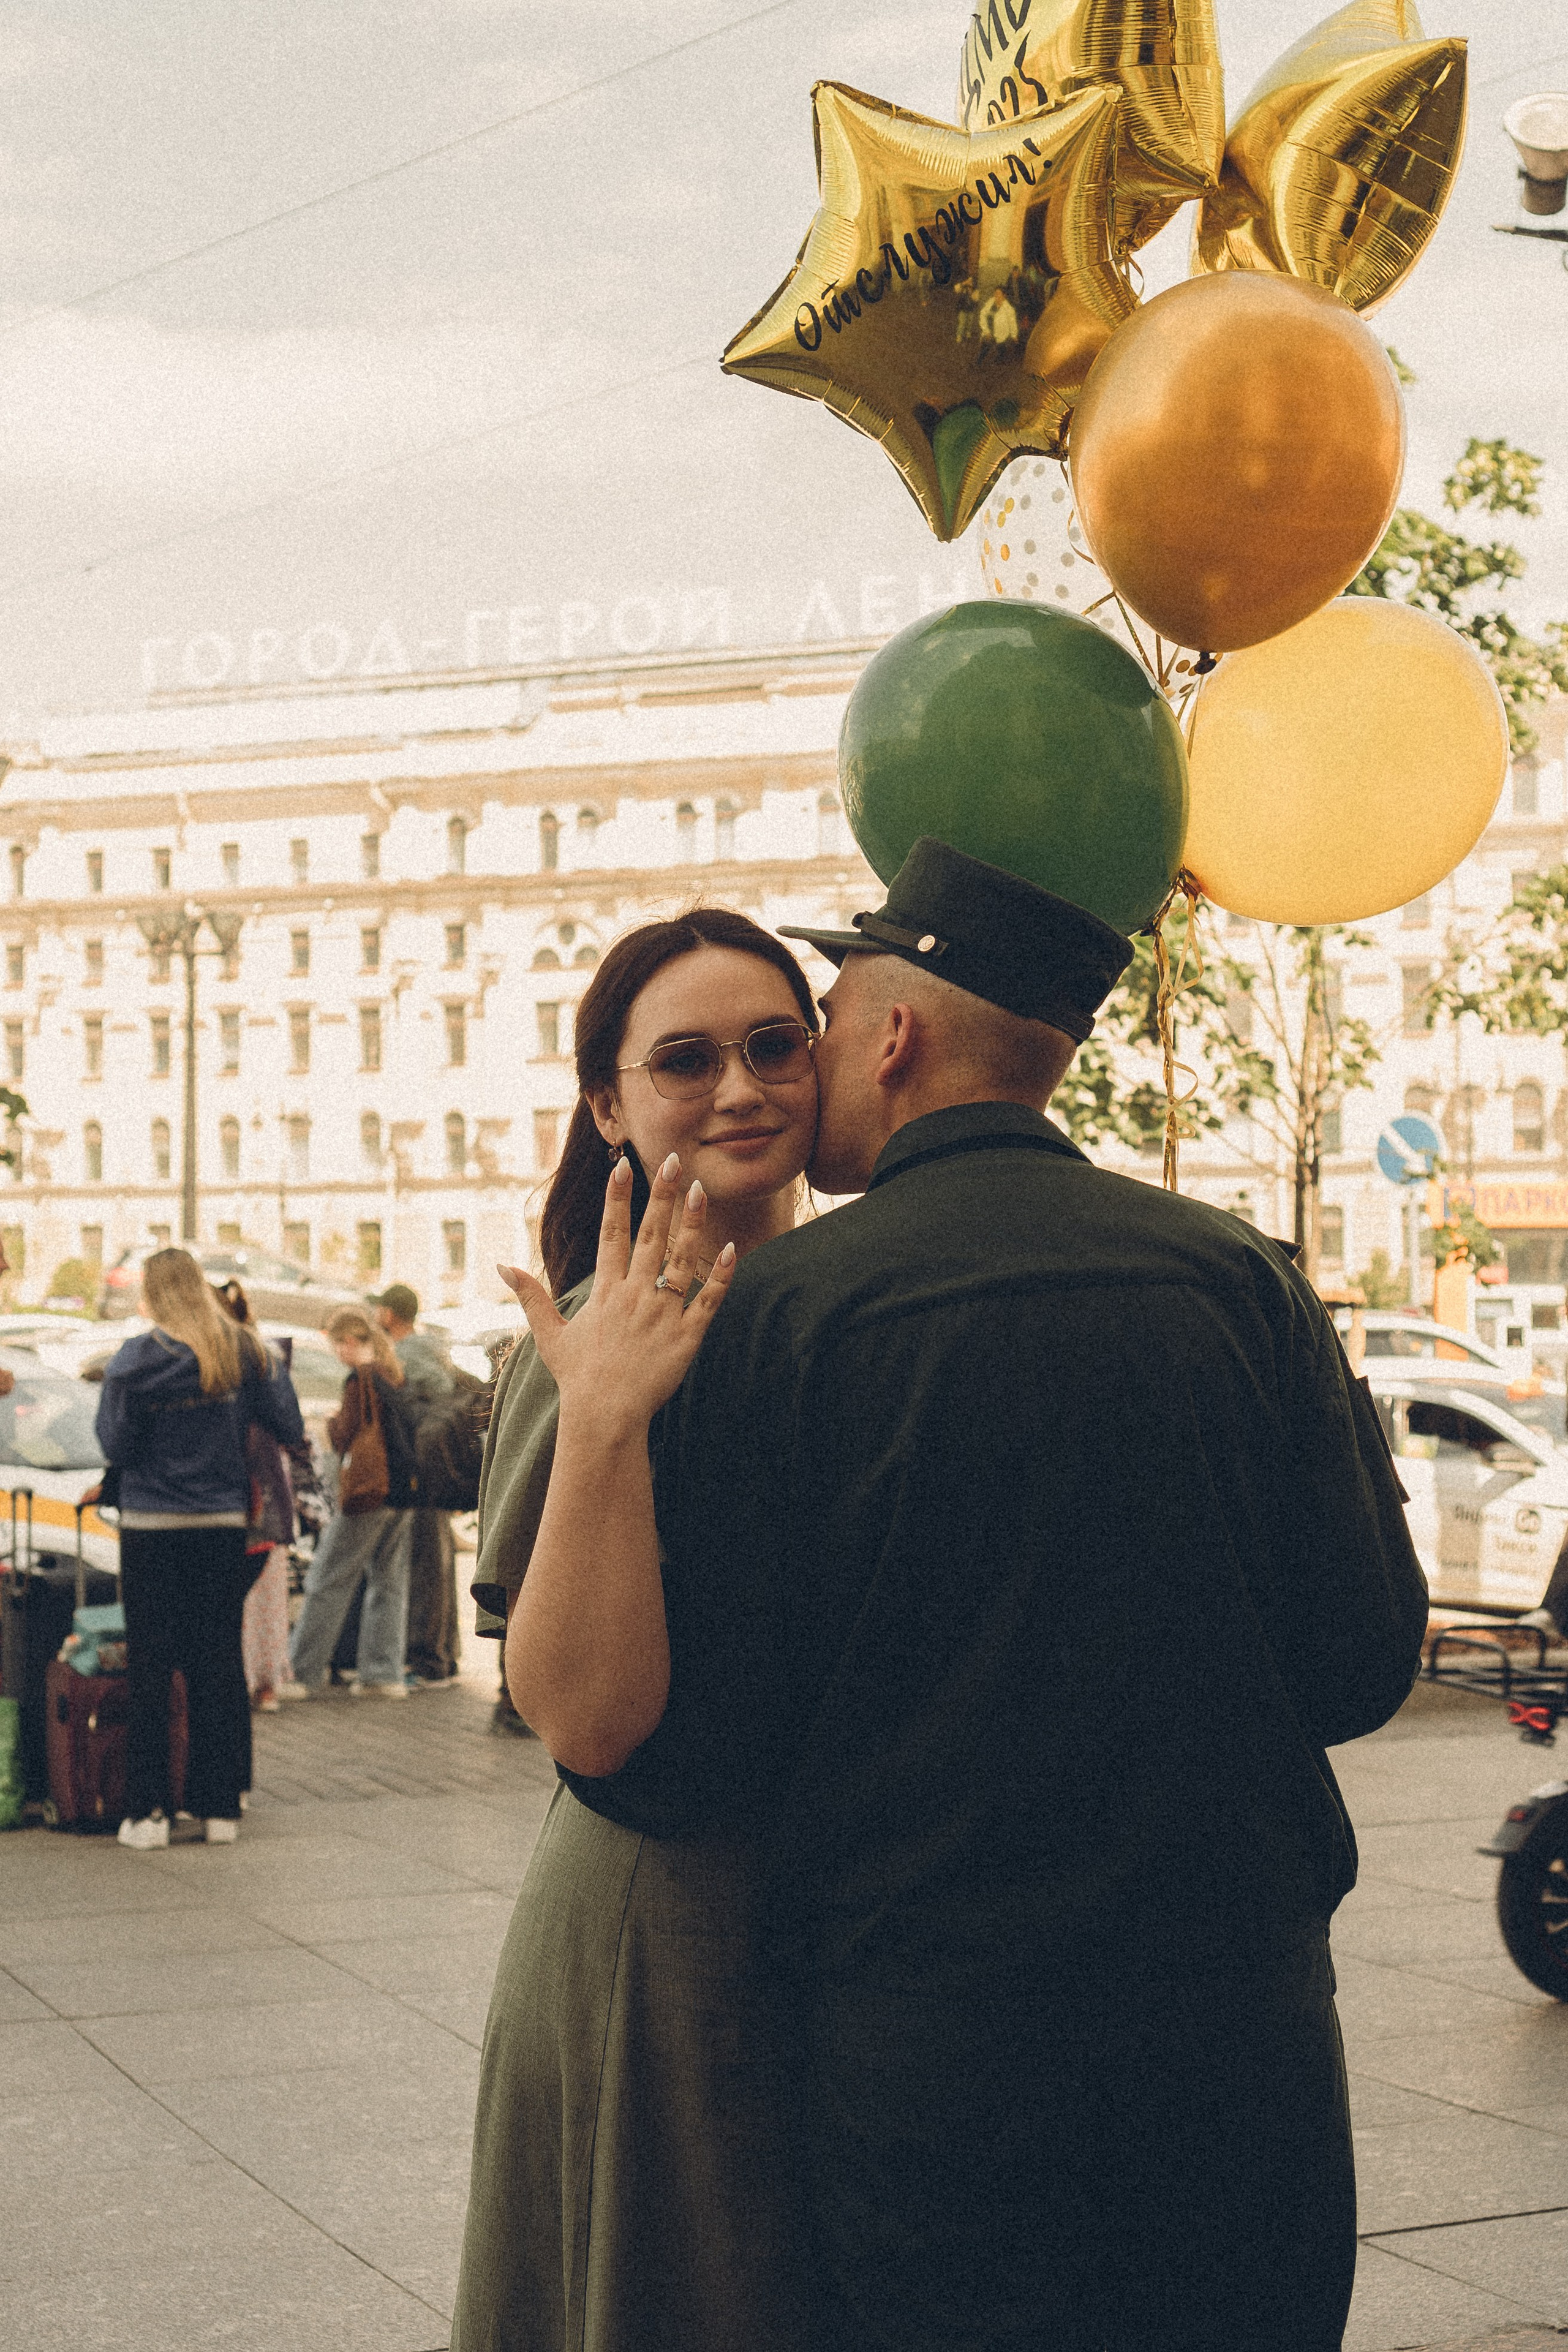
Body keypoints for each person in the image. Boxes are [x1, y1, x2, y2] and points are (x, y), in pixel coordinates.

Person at [485, 839, 1430, 2352]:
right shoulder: (1241, 1274)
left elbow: (669, 1753)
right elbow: (1359, 1663)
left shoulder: (774, 1319)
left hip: (929, 2058)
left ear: (891, 1035)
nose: (770, 1082)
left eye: (800, 1030)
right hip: (1241, 2042)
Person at [451, 908, 823, 2352]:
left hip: (834, 1921)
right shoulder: (597, 1331)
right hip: (660, 1942)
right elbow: (576, 1716)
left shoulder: (847, 1301)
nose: (739, 1085)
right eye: (685, 1058)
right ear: (607, 1101)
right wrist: (605, 1414)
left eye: (771, 1043)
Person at [96, 1246, 305, 1850]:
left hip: (151, 1528)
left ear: (154, 1294)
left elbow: (115, 1444)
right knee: (216, 1663)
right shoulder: (245, 1351)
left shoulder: (135, 1360)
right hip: (219, 1526)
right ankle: (219, 1810)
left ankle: (149, 1814)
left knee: (152, 1667)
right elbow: (289, 1427)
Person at [282, 1305, 418, 1698]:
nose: (336, 1354)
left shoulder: (361, 1378)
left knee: (327, 1577)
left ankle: (302, 1672)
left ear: (352, 1341)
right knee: (389, 1582)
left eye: (337, 1346)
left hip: (366, 1494)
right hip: (401, 1492)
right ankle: (383, 1674)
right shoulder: (394, 1373)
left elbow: (346, 1435)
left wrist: (329, 1422)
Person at [370, 1281, 461, 1687]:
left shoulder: (406, 1353)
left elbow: (439, 1395)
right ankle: (445, 1655)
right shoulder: (432, 1347)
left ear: (389, 1315)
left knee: (427, 1563)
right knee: (438, 1563)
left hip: (424, 1469)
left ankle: (428, 1660)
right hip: (441, 1468)